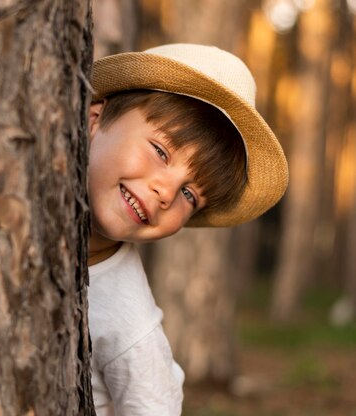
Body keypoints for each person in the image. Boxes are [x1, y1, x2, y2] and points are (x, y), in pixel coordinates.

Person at [86, 44, 289, 415]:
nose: (165, 192)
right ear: (93, 120)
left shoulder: (130, 324)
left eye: (188, 194)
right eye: (161, 152)